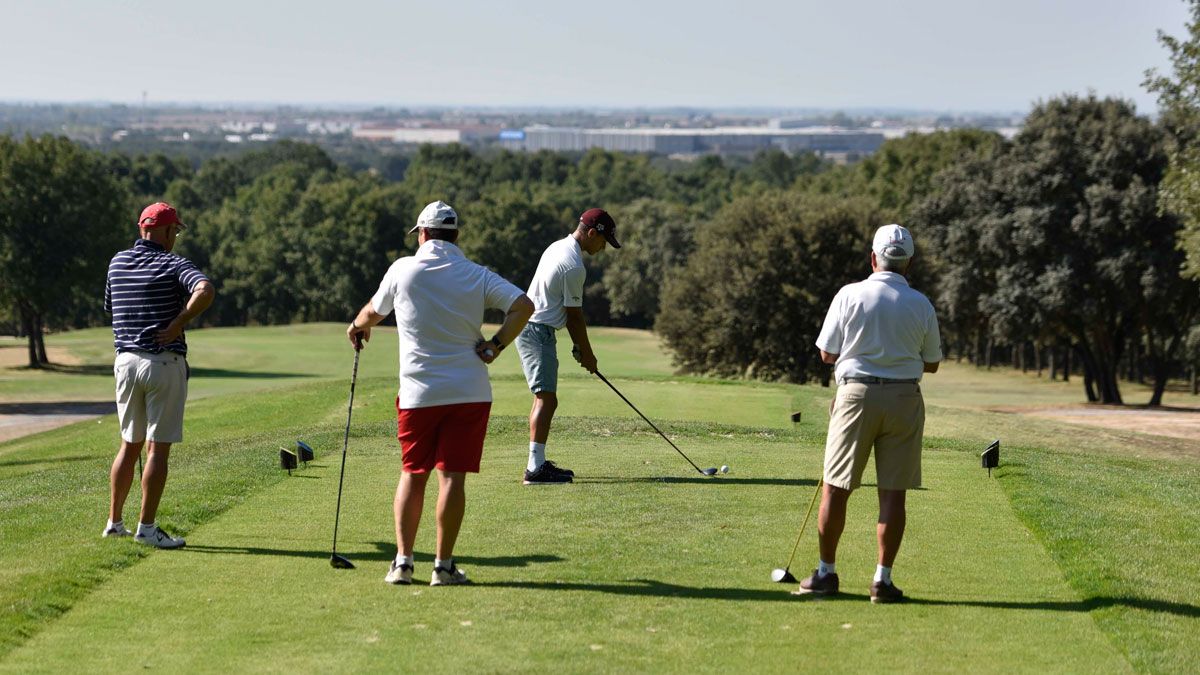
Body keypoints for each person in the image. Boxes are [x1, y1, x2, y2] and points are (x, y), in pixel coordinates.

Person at [347, 200, 533, 586]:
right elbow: (523, 305)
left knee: (413, 475)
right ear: (456, 236)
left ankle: (402, 563)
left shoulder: (403, 269)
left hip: (418, 394)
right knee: (452, 479)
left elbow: (372, 313)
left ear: (423, 234)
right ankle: (444, 567)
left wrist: (357, 326)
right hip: (469, 391)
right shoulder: (476, 274)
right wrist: (495, 346)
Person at [799, 224, 941, 603]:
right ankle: (883, 580)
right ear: (908, 263)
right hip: (904, 399)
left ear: (874, 257)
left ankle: (826, 573)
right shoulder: (922, 304)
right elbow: (932, 363)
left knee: (836, 488)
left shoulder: (849, 294)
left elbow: (827, 354)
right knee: (893, 495)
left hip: (856, 396)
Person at [103, 202, 216, 549]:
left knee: (129, 445)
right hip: (162, 363)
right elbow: (205, 290)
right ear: (166, 232)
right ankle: (147, 528)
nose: (176, 238)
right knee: (158, 450)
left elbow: (110, 307)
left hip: (125, 363)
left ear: (142, 229)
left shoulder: (117, 262)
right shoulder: (173, 263)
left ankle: (114, 523)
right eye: (175, 232)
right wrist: (178, 322)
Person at [515, 208, 620, 485]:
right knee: (546, 398)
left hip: (535, 327)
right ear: (592, 233)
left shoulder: (557, 246)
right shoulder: (574, 265)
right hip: (537, 330)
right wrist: (588, 353)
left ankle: (537, 463)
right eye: (603, 241)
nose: (603, 248)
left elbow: (560, 308)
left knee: (546, 397)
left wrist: (579, 349)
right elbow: (574, 316)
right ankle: (534, 470)